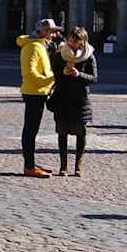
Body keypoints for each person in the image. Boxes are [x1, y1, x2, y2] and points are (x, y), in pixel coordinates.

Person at [48, 26, 97, 177]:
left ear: (83, 42)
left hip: (80, 100)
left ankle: (78, 166)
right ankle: (63, 166)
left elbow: (94, 79)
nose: (71, 43)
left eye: (75, 41)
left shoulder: (89, 56)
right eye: (70, 40)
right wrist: (62, 73)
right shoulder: (60, 55)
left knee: (80, 133)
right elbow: (53, 74)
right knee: (62, 133)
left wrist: (79, 74)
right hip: (62, 98)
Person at [17, 19, 60, 177]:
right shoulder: (33, 47)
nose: (55, 35)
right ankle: (29, 167)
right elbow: (30, 73)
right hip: (34, 93)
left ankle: (31, 162)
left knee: (32, 130)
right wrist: (52, 79)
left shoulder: (41, 46)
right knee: (30, 130)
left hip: (39, 92)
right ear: (43, 32)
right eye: (52, 31)